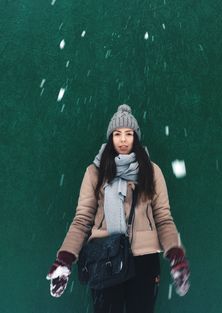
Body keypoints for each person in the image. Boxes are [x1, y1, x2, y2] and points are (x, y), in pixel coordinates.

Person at [46, 104, 190, 313]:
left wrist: (176, 255)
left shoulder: (151, 171)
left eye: (128, 134)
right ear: (111, 137)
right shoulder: (94, 173)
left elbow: (163, 218)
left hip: (144, 261)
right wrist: (65, 259)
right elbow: (82, 219)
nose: (123, 140)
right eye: (117, 134)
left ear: (135, 137)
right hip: (105, 259)